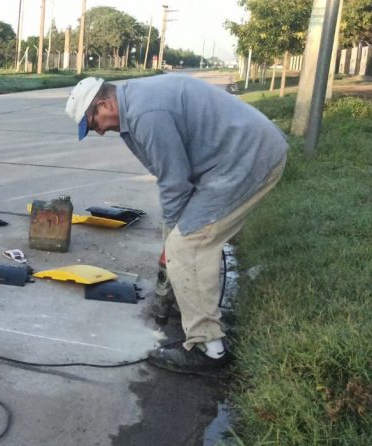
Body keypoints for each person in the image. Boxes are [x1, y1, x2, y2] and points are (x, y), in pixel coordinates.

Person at [65, 75, 287, 373]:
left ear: (104, 104)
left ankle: (209, 349)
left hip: (245, 160)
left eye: (94, 124)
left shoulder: (145, 115)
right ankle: (191, 305)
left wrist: (170, 244)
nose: (100, 131)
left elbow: (174, 182)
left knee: (187, 248)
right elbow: (171, 174)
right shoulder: (135, 103)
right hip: (237, 157)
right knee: (183, 243)